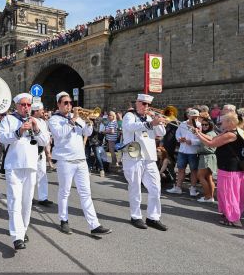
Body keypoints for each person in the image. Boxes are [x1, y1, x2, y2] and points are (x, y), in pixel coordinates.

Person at [48, 91, 112, 237]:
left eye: (70, 103)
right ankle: (63, 220)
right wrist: (74, 119)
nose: (69, 105)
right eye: (66, 103)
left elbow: (88, 133)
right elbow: (59, 134)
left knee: (86, 193)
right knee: (64, 192)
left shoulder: (75, 117)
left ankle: (94, 224)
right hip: (65, 160)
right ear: (59, 104)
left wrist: (89, 122)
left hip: (80, 159)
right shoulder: (54, 119)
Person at [0, 93, 50, 250]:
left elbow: (46, 141)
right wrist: (19, 131)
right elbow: (2, 138)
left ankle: (23, 229)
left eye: (28, 105)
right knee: (15, 200)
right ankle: (17, 236)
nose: (26, 107)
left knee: (27, 202)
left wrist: (36, 128)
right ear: (16, 105)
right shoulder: (8, 119)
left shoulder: (37, 121)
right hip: (14, 166)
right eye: (23, 104)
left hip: (31, 165)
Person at [121, 94, 168, 231]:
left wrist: (157, 121)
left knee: (155, 188)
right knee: (135, 187)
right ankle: (135, 216)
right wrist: (150, 123)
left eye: (148, 104)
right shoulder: (130, 116)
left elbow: (161, 133)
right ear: (137, 103)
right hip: (134, 156)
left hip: (149, 157)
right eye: (143, 103)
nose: (146, 107)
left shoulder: (150, 117)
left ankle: (153, 217)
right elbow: (130, 127)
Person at [193, 113, 244, 227]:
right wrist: (199, 133)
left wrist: (198, 135)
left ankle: (234, 218)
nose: (220, 123)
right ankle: (228, 214)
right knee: (227, 192)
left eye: (223, 121)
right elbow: (213, 138)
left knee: (229, 193)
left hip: (230, 168)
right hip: (228, 167)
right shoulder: (229, 132)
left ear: (229, 122)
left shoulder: (231, 134)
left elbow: (211, 144)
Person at [167, 109, 201, 196]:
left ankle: (193, 188)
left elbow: (201, 139)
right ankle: (178, 187)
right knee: (181, 169)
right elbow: (177, 134)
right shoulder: (183, 124)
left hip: (193, 151)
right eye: (192, 117)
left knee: (193, 170)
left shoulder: (199, 125)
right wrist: (180, 139)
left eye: (196, 117)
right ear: (189, 116)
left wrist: (192, 141)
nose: (194, 119)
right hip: (182, 150)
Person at [31, 102, 52, 206]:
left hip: (41, 151)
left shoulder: (43, 122)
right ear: (36, 111)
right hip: (32, 151)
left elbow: (46, 136)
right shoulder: (31, 120)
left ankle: (43, 198)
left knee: (42, 175)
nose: (43, 112)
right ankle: (29, 197)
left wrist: (47, 150)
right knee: (31, 177)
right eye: (41, 110)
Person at [196, 119, 217, 203]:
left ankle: (207, 196)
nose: (204, 126)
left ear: (210, 125)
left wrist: (199, 133)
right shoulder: (209, 133)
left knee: (200, 176)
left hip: (206, 156)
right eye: (203, 124)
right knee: (208, 177)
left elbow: (209, 141)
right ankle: (210, 197)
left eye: (206, 125)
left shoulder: (210, 133)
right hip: (209, 156)